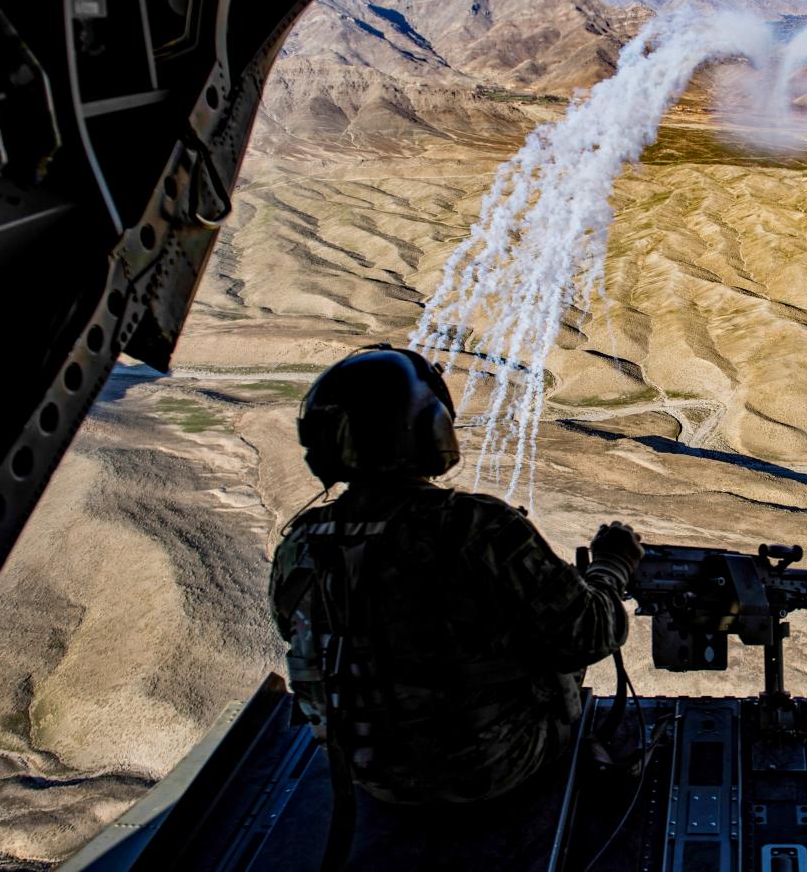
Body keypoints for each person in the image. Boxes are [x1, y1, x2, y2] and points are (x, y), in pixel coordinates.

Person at [268, 345, 642, 859]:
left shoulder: (300, 544)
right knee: (560, 668)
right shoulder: (475, 526)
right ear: (430, 430)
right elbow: (590, 633)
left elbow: (302, 634)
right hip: (491, 770)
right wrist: (611, 566)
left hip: (370, 775)